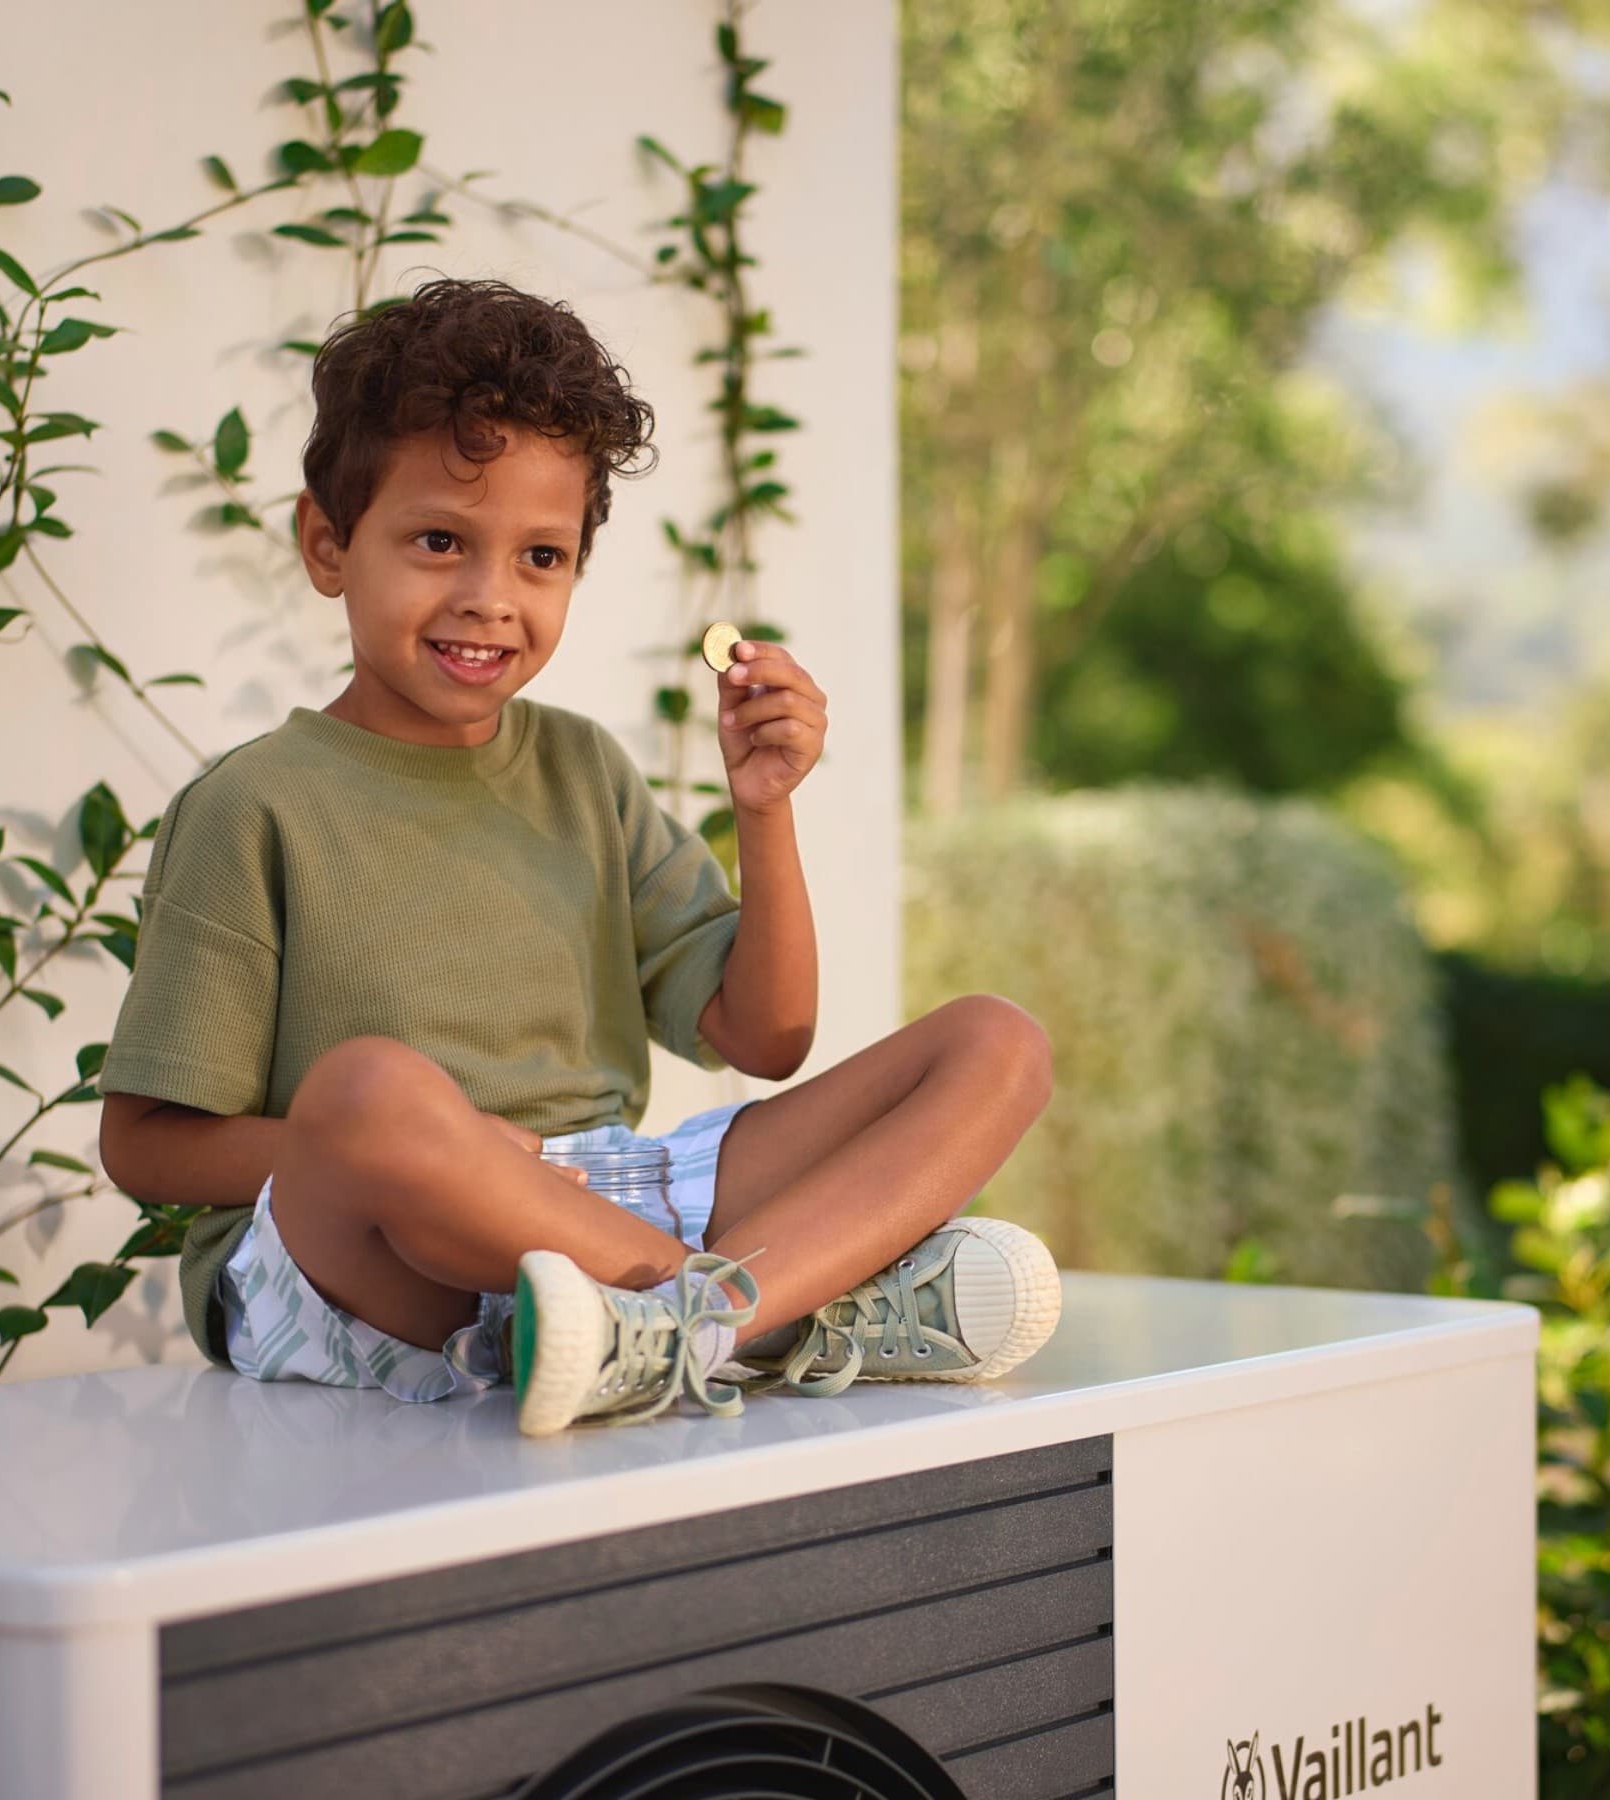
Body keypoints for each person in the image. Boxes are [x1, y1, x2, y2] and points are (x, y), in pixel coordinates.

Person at [96, 275, 1061, 1438]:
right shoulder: (252, 806)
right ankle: (763, 1315)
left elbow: (765, 1039)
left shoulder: (584, 772)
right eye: (441, 541)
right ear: (328, 543)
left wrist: (765, 810)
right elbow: (145, 1146)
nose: (488, 599)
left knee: (995, 1042)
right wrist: (449, 1146)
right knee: (371, 1089)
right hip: (378, 1250)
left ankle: (686, 1322)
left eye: (540, 558)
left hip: (605, 1196)